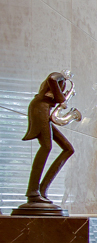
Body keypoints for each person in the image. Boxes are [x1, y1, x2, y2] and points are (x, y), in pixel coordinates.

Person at [17, 72, 77, 214]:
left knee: (68, 148)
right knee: (46, 147)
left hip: (45, 110)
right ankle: (33, 191)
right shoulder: (58, 76)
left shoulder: (60, 80)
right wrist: (61, 98)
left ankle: (41, 190)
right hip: (40, 108)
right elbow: (52, 79)